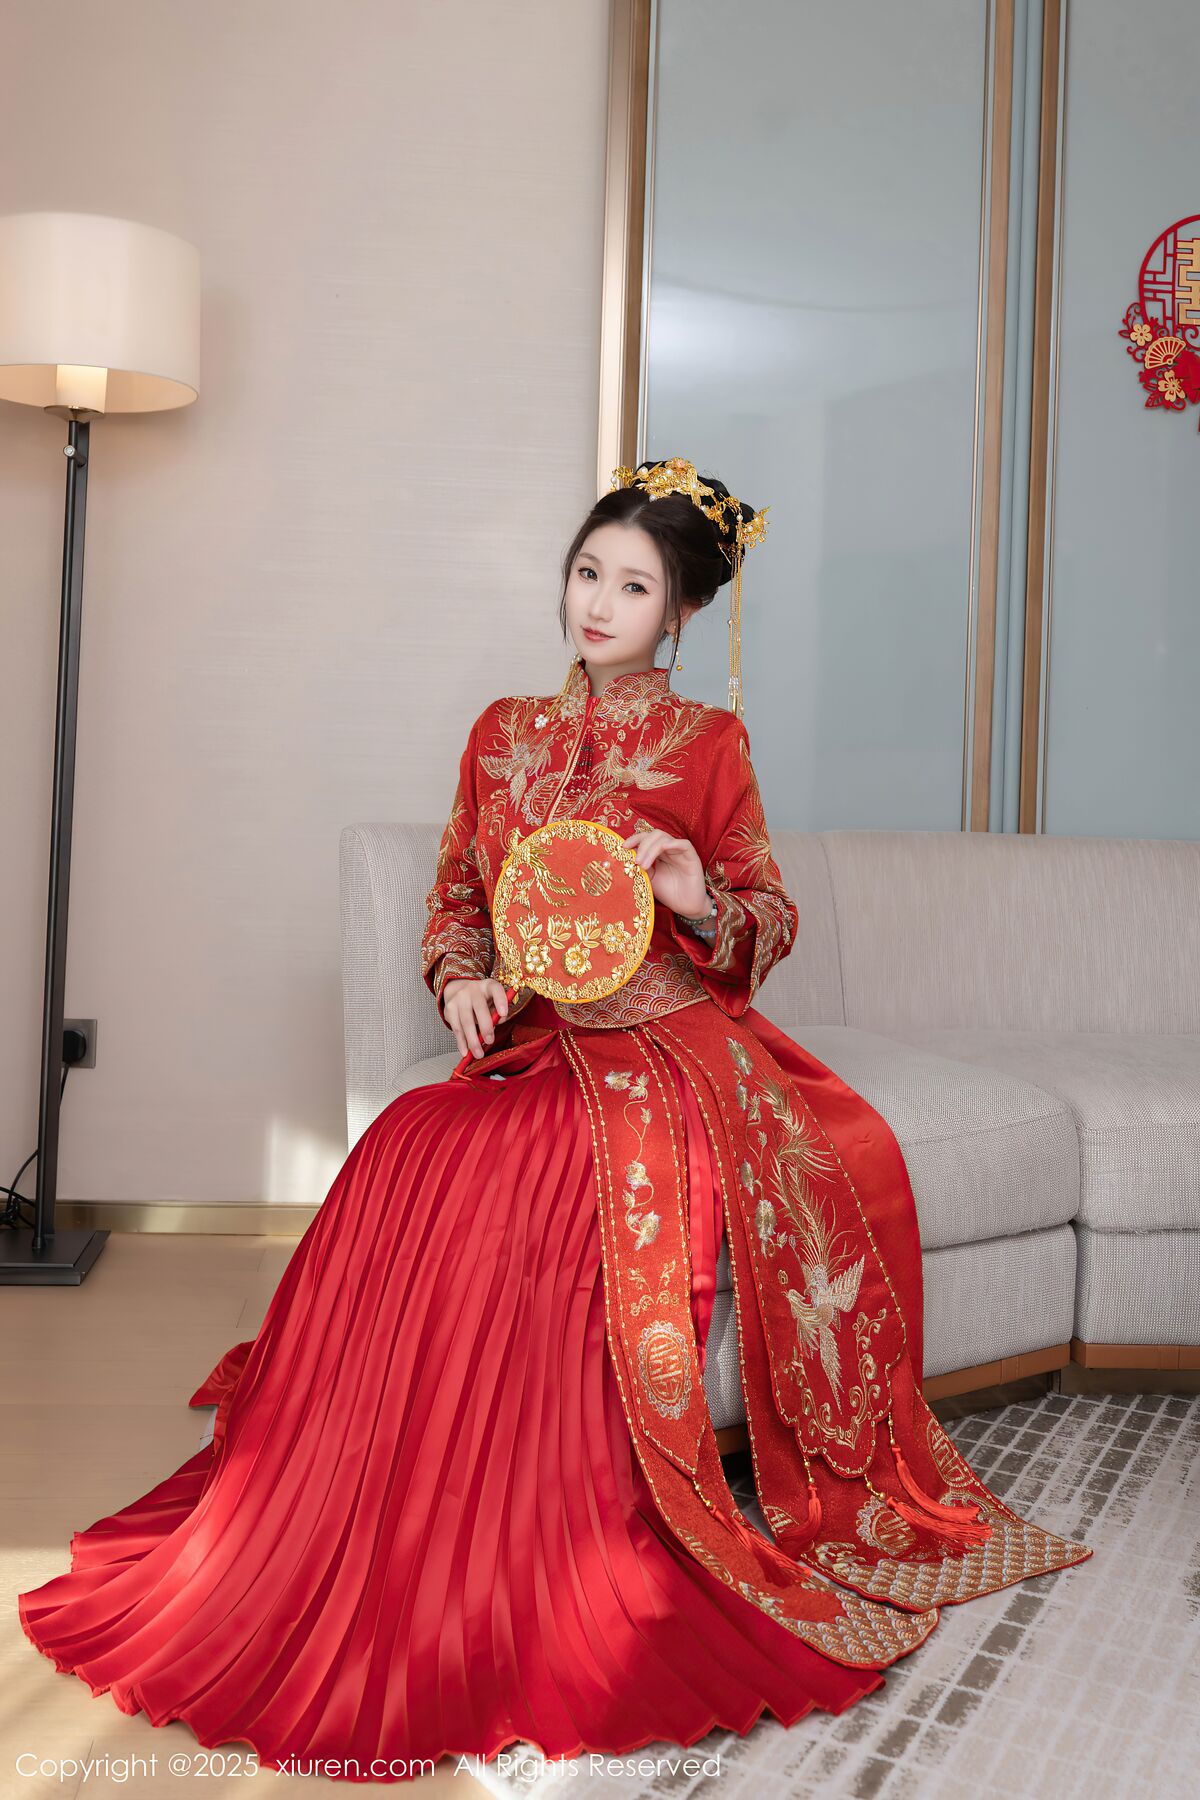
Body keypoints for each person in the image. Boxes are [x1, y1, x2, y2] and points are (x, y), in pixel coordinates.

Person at [18, 458, 1092, 1780]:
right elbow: (457, 895)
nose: (598, 603)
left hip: (666, 1040)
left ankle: (529, 1514)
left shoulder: (710, 747)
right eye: (588, 571)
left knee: (536, 1178)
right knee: (414, 1145)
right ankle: (370, 1474)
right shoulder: (502, 731)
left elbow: (765, 922)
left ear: (679, 613)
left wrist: (697, 896)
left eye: (632, 587)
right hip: (536, 1035)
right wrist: (461, 979)